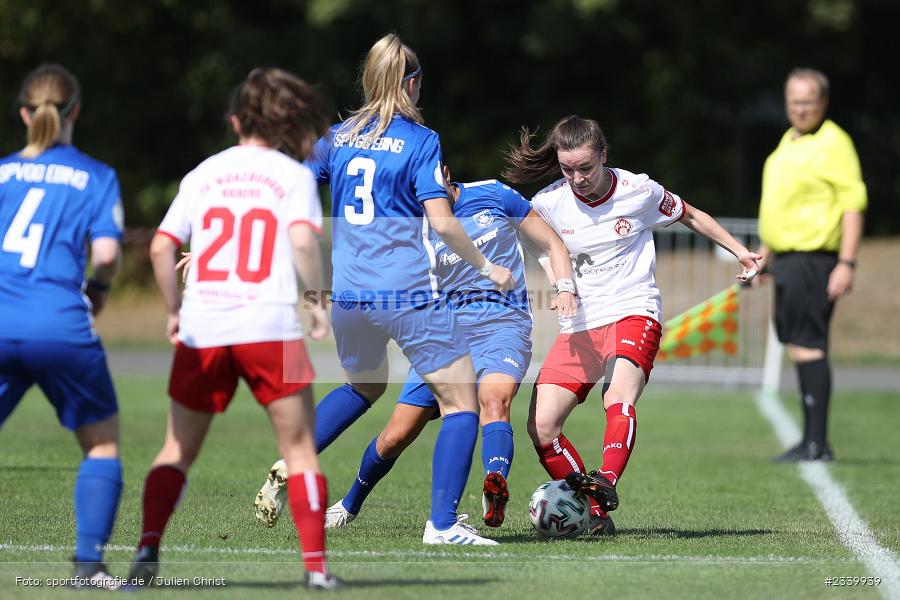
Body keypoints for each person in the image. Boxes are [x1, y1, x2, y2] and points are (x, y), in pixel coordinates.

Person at [255, 33, 514, 546]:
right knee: (461, 401)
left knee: (362, 387)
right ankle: (442, 525)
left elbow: (289, 200)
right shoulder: (422, 141)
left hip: (349, 296)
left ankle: (291, 460)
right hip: (405, 294)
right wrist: (489, 266)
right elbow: (441, 224)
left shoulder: (335, 137)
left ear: (368, 80)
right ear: (412, 84)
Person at [254, 166, 575, 532]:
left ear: (447, 176)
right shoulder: (411, 227)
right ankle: (349, 505)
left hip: (502, 325)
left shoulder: (494, 194)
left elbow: (550, 241)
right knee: (395, 435)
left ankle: (494, 484)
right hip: (444, 332)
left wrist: (563, 284)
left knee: (494, 401)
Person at [129, 68, 339, 590]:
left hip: (206, 327)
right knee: (299, 452)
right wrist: (317, 302)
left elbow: (160, 247)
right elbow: (304, 245)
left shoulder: (202, 174)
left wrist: (175, 311)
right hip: (268, 324)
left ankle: (146, 553)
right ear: (281, 122)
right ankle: (315, 571)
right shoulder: (292, 175)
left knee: (176, 451)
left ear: (234, 120)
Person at [502, 115, 760, 535]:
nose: (577, 178)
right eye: (568, 169)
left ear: (604, 155)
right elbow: (541, 245)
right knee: (542, 426)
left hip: (633, 310)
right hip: (581, 325)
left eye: (585, 167)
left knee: (617, 397)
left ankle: (607, 479)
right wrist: (557, 279)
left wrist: (740, 251)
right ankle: (594, 513)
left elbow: (690, 215)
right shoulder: (549, 202)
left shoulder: (639, 190)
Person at [0, 64, 125, 588]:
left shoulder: (2, 171)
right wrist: (98, 291)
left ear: (25, 113)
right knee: (100, 445)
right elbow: (107, 253)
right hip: (60, 327)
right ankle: (88, 566)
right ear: (75, 111)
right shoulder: (96, 176)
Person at [757, 68, 867, 462]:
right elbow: (781, 209)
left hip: (814, 259)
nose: (800, 109)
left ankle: (816, 443)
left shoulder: (834, 142)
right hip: (787, 258)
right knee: (798, 345)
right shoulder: (789, 141)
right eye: (794, 101)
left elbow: (852, 204)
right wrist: (764, 257)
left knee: (808, 345)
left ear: (823, 102)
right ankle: (811, 441)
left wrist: (847, 263)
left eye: (808, 101)